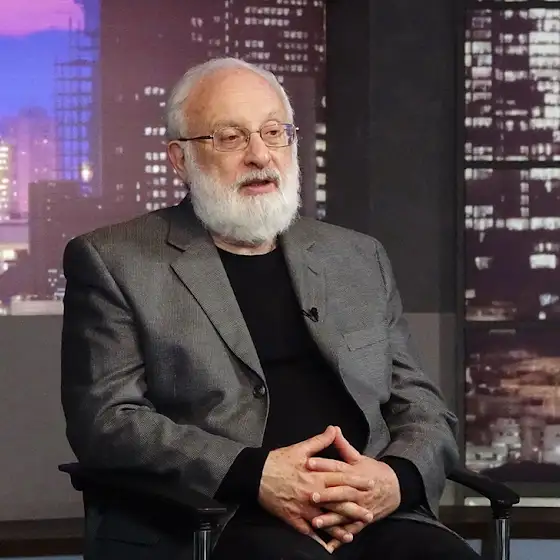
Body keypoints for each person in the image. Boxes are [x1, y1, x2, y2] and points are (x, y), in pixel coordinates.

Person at [60, 57, 479, 560]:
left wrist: (396, 479)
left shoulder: (358, 256)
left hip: (369, 511)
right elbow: (106, 421)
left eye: (274, 132)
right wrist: (254, 473)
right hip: (222, 517)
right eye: (230, 137)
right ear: (180, 159)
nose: (260, 155)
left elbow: (422, 407)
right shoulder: (114, 260)